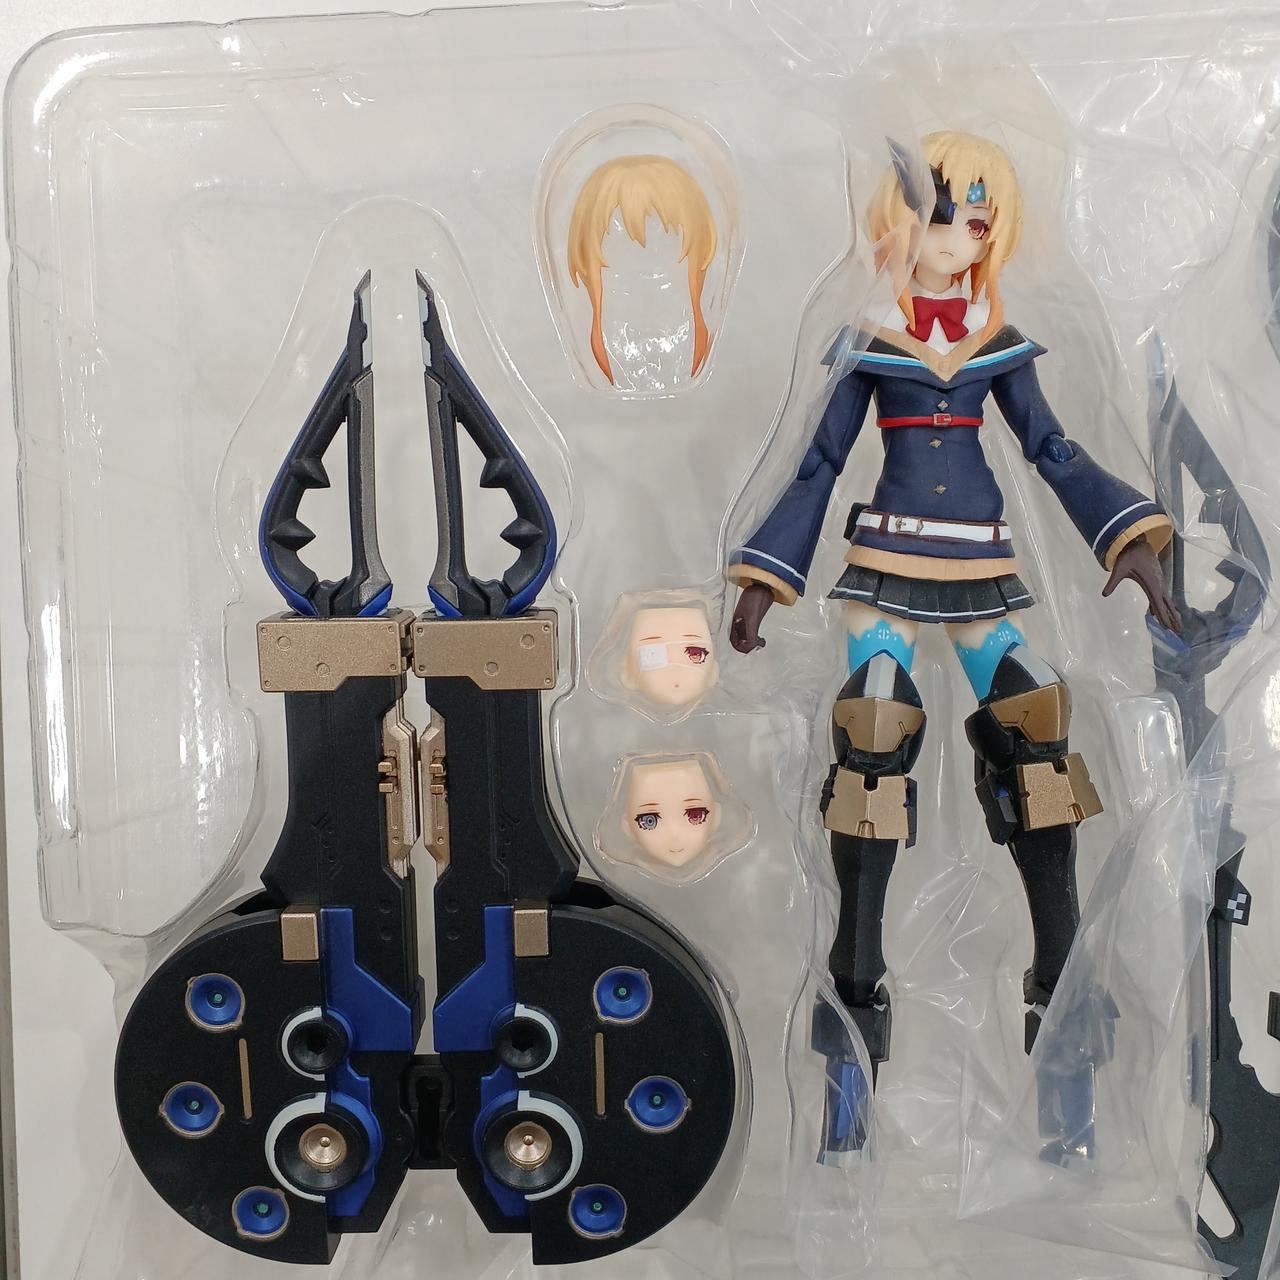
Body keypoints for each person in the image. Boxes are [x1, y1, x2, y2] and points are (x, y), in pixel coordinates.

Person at [726, 130, 1180, 1161]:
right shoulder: (871, 338)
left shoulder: (993, 340)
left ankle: (1065, 1025)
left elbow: (1052, 448)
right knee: (873, 740)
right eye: (942, 213)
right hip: (884, 565)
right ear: (896, 219)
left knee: (1037, 740)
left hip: (979, 566)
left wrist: (1128, 537)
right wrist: (764, 575)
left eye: (978, 218)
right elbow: (818, 461)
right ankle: (850, 1038)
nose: (960, 235)